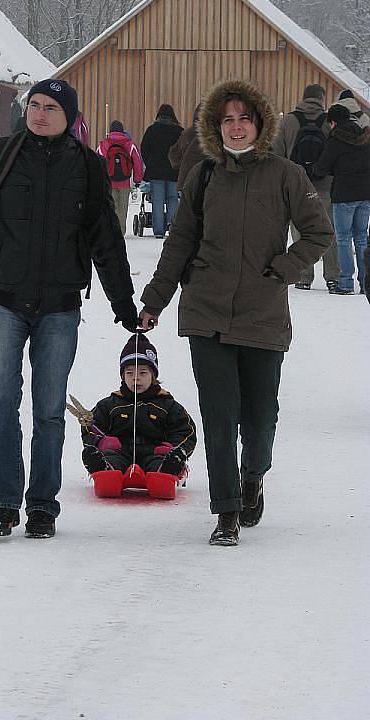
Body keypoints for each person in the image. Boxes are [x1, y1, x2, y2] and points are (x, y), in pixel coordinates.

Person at [139, 79, 333, 546]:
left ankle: (253, 475)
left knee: (261, 415)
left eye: (244, 118)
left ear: (260, 123)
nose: (237, 126)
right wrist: (154, 301)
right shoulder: (203, 175)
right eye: (227, 119)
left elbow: (319, 234)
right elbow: (180, 242)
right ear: (215, 126)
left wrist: (281, 269)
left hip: (262, 313)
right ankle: (226, 510)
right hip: (206, 311)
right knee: (219, 415)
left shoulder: (287, 174)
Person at [0, 78, 137, 540]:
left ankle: (42, 506)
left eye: (51, 107)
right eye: (35, 105)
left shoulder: (89, 169)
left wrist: (124, 304)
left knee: (49, 410)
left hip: (59, 306)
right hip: (3, 300)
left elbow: (105, 242)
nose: (40, 114)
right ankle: (4, 503)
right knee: (0, 403)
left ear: (68, 116)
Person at [80, 333, 196, 486]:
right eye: (130, 373)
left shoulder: (167, 405)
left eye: (142, 373)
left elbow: (185, 430)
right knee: (111, 459)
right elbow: (91, 426)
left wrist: (172, 448)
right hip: (120, 451)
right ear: (123, 376)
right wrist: (100, 442)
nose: (136, 378)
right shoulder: (110, 404)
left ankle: (167, 470)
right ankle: (104, 470)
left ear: (153, 375)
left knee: (158, 464)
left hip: (154, 453)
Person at [273, 84, 340, 292]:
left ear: (303, 98)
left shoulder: (288, 121)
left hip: (295, 186)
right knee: (328, 231)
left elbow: (276, 153)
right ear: (322, 99)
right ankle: (332, 275)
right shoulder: (330, 122)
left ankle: (303, 275)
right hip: (325, 185)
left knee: (300, 230)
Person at [312, 103, 370, 294]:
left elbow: (322, 168)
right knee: (361, 238)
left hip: (343, 195)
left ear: (334, 122)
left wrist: (311, 169)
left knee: (343, 239)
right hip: (365, 194)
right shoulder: (365, 137)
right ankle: (364, 283)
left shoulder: (335, 140)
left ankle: (345, 283)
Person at [140, 104, 183, 237]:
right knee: (172, 199)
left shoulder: (152, 130)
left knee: (157, 200)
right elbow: (183, 150)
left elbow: (144, 149)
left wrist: (150, 164)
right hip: (174, 172)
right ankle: (172, 228)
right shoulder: (179, 132)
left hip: (156, 172)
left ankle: (158, 230)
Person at [97, 120, 143, 232]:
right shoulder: (130, 144)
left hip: (109, 182)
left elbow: (96, 164)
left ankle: (110, 230)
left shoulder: (104, 145)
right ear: (122, 131)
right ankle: (120, 231)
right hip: (125, 181)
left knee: (110, 207)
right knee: (122, 209)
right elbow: (137, 163)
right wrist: (137, 180)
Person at [168, 103, 205, 192]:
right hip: (209, 180)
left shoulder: (187, 133)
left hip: (187, 179)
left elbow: (173, 156)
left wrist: (183, 162)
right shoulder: (217, 135)